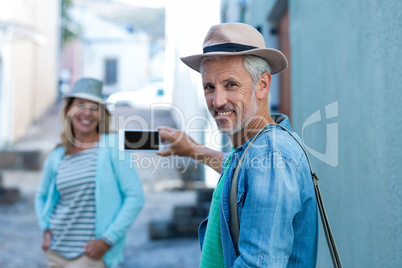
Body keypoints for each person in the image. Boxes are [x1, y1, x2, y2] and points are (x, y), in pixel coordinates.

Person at [157, 23, 318, 267]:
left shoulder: (271, 156)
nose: (217, 101)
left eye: (230, 84)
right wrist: (193, 150)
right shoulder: (257, 148)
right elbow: (241, 171)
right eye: (209, 87)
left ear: (262, 85)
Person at [35, 78, 144, 268]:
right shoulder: (57, 155)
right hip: (55, 254)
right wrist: (45, 227)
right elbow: (41, 195)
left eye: (94, 107)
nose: (87, 112)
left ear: (102, 114)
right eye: (80, 105)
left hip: (90, 256)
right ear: (69, 109)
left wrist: (107, 240)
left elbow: (135, 197)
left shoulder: (113, 147)